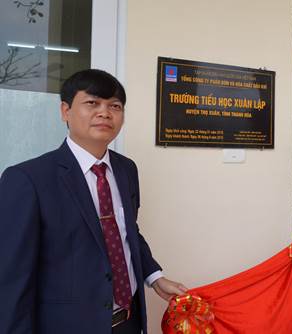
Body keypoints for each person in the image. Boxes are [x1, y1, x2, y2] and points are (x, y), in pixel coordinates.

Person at [0, 69, 187, 334]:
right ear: (65, 111)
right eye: (92, 103)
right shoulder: (27, 179)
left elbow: (126, 231)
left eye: (115, 106)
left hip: (129, 321)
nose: (105, 112)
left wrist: (154, 277)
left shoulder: (126, 170)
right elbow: (12, 279)